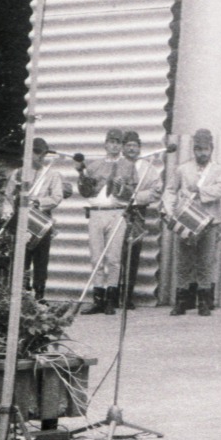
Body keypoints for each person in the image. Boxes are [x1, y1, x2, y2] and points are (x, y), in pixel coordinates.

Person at [165, 128, 221, 317]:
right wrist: (170, 210)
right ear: (193, 150)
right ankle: (181, 302)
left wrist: (201, 191)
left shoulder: (219, 169)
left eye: (205, 149)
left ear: (211, 149)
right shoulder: (183, 168)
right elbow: (170, 190)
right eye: (198, 149)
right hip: (186, 219)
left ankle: (204, 302)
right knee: (184, 261)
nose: (201, 153)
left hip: (209, 220)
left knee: (206, 261)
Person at [0, 137, 73, 300]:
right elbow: (7, 196)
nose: (40, 156)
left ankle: (39, 295)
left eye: (43, 153)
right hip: (21, 221)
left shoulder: (52, 174)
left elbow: (57, 196)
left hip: (41, 220)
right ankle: (21, 294)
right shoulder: (18, 173)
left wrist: (39, 201)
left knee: (41, 259)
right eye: (37, 152)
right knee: (21, 257)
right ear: (28, 152)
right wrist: (7, 213)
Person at [78, 129, 127, 314]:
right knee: (96, 257)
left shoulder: (128, 166)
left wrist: (122, 186)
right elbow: (85, 191)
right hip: (96, 213)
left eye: (118, 142)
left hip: (117, 212)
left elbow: (132, 192)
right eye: (111, 141)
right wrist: (81, 173)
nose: (114, 145)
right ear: (105, 144)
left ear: (121, 146)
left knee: (114, 258)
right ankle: (97, 298)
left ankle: (111, 299)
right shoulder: (94, 165)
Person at [115, 131, 165, 310]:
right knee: (114, 254)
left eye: (135, 145)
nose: (131, 149)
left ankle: (127, 296)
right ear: (122, 148)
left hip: (137, 213)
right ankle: (111, 296)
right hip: (116, 211)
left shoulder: (148, 167)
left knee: (132, 254)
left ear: (139, 148)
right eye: (128, 145)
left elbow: (157, 190)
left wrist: (136, 197)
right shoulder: (115, 164)